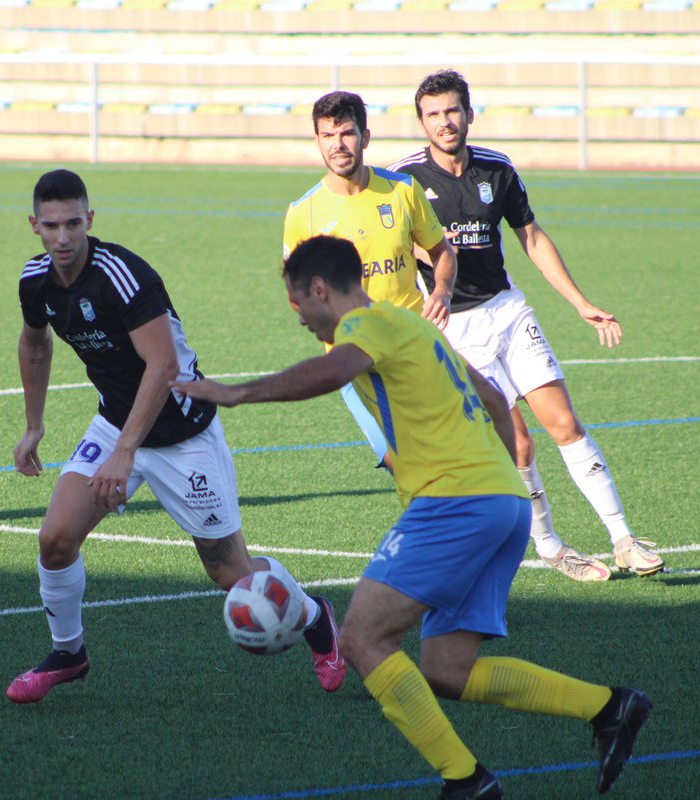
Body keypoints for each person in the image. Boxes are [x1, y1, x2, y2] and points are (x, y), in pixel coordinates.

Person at [171, 235, 653, 799]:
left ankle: (465, 781)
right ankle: (609, 707)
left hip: (453, 503)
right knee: (448, 670)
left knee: (361, 639)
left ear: (320, 289)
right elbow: (494, 401)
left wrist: (236, 394)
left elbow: (332, 372)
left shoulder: (363, 327)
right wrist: (499, 485)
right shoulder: (415, 326)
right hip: (503, 503)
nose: (298, 317)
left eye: (297, 303)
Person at [5, 169, 345, 704]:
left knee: (231, 572)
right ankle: (68, 653)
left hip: (183, 432)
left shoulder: (123, 275)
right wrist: (34, 424)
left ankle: (314, 617)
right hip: (117, 423)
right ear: (34, 225)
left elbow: (162, 365)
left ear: (89, 220)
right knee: (55, 538)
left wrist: (124, 454)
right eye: (51, 226)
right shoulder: (35, 280)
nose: (63, 237)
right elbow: (35, 343)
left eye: (73, 223)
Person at [388, 69, 663, 580]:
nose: (444, 122)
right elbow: (393, 250)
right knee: (518, 445)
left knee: (565, 423)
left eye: (452, 111)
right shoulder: (403, 180)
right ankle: (551, 547)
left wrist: (580, 302)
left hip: (507, 311)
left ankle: (624, 539)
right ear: (421, 123)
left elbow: (531, 237)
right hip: (454, 330)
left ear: (469, 114)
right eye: (433, 114)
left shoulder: (497, 169)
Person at [283, 90, 457, 473]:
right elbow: (295, 295)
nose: (338, 144)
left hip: (413, 346)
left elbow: (442, 251)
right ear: (317, 140)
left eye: (346, 133)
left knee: (445, 454)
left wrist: (442, 292)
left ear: (365, 136)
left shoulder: (402, 190)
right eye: (327, 136)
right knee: (401, 462)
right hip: (353, 361)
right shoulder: (303, 213)